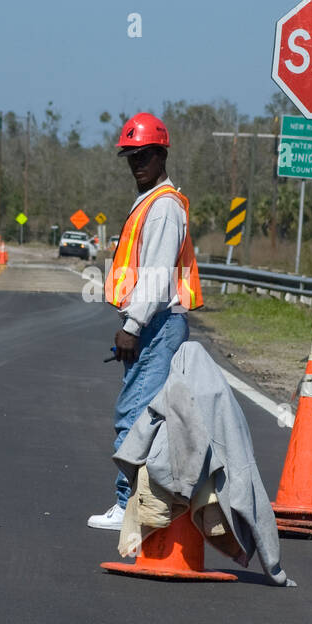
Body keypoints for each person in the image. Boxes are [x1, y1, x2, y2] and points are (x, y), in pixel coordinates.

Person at [88, 112, 203, 530]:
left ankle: (129, 506)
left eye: (145, 155)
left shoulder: (163, 208)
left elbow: (156, 275)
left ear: (161, 156)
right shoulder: (150, 203)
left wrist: (132, 326)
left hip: (155, 323)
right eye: (131, 156)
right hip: (152, 323)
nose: (137, 163)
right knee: (148, 414)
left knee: (134, 415)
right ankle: (145, 501)